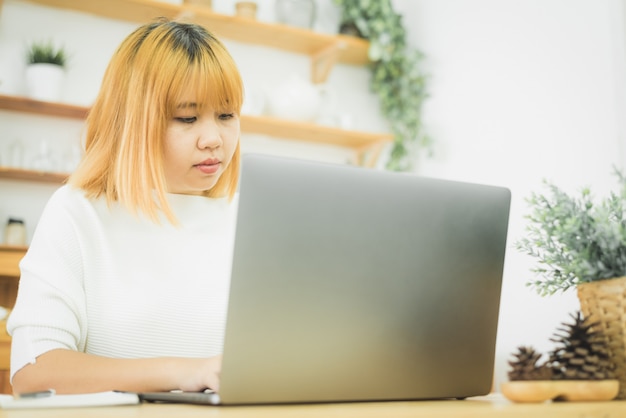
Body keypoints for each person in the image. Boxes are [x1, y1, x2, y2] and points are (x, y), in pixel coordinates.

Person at [7, 18, 244, 395]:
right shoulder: (77, 212)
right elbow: (33, 373)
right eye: (187, 117)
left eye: (227, 115)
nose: (214, 139)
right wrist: (186, 373)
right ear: (134, 122)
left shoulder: (246, 216)